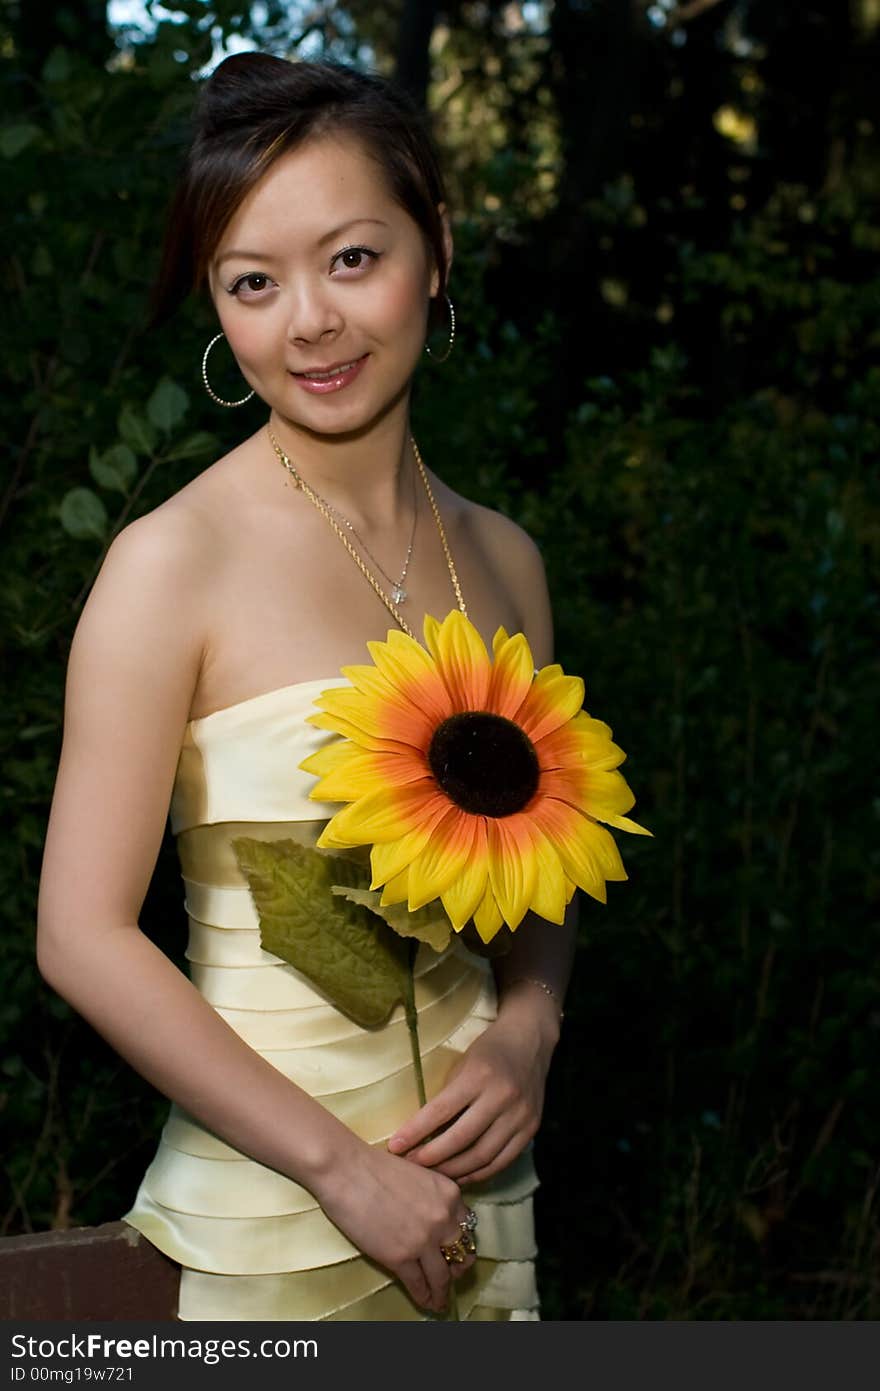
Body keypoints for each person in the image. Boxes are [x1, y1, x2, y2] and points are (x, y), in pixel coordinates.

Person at [36, 52, 576, 1322]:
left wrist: (529, 1027)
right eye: (252, 283)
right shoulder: (172, 563)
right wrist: (343, 1171)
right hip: (277, 1226)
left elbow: (553, 859)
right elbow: (79, 933)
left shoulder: (504, 560)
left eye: (350, 258)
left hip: (485, 1197)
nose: (310, 323)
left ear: (434, 251)